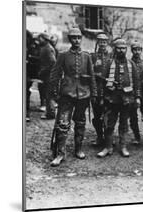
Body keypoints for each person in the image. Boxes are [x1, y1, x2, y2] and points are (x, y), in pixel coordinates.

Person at [49, 27, 97, 166]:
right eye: (73, 38)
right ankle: (60, 154)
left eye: (78, 38)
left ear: (81, 39)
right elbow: (55, 75)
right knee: (63, 124)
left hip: (83, 95)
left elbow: (92, 76)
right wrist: (54, 93)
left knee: (80, 122)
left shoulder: (87, 56)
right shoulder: (63, 55)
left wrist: (93, 93)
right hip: (67, 95)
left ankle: (78, 149)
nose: (76, 40)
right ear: (70, 39)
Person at [97, 38, 141, 158]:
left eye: (123, 48)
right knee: (109, 124)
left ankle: (123, 146)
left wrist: (137, 97)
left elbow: (137, 82)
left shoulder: (131, 64)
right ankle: (108, 147)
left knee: (124, 124)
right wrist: (102, 97)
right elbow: (102, 81)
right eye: (118, 48)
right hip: (112, 99)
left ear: (126, 50)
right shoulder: (109, 63)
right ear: (115, 49)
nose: (121, 50)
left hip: (126, 99)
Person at [90, 33, 112, 146]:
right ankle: (99, 136)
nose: (102, 44)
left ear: (107, 43)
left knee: (108, 115)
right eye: (100, 41)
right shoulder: (92, 56)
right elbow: (89, 72)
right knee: (97, 115)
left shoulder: (111, 57)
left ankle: (108, 138)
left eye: (104, 42)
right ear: (97, 42)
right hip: (97, 89)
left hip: (108, 90)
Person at [129, 40, 143, 145]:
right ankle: (136, 136)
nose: (137, 52)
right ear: (132, 51)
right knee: (133, 116)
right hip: (132, 93)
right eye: (135, 49)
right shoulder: (128, 63)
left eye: (139, 49)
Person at [38, 32, 57, 119]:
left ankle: (51, 113)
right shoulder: (45, 47)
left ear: (44, 39)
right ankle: (50, 112)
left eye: (40, 38)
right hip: (47, 74)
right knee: (47, 94)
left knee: (49, 95)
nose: (39, 40)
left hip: (49, 75)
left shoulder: (48, 48)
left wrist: (43, 71)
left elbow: (52, 62)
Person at [26, 30, 41, 121]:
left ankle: (26, 114)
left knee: (25, 93)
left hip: (27, 74)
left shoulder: (32, 48)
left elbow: (35, 62)